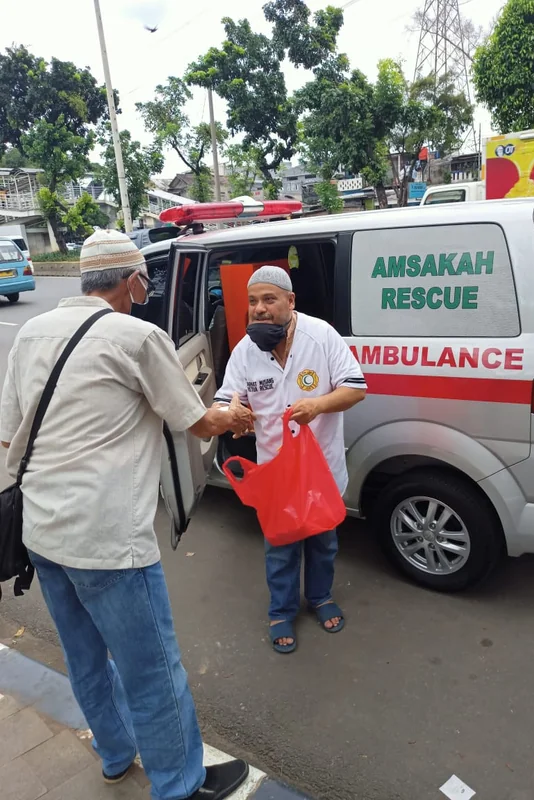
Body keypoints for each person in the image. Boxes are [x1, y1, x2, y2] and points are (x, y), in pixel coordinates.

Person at [0, 230, 255, 800]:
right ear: (132, 281)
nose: (146, 288)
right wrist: (234, 411)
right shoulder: (137, 335)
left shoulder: (33, 333)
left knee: (85, 659)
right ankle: (180, 785)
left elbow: (7, 435)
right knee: (153, 671)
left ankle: (116, 756)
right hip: (107, 540)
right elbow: (199, 422)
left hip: (41, 531)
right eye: (144, 279)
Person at [214, 265, 367, 653]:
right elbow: (225, 400)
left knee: (323, 541)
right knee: (279, 545)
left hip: (322, 469)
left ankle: (319, 597)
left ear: (290, 301)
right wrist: (234, 412)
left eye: (269, 299)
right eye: (252, 302)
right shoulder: (246, 351)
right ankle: (281, 610)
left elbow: (355, 387)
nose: (259, 309)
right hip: (276, 473)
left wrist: (318, 405)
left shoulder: (321, 336)